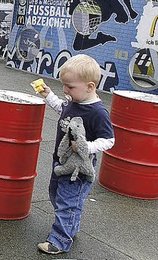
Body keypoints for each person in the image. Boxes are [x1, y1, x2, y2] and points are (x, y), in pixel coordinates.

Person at [35, 54, 115, 254]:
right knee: (55, 195)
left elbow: (109, 140)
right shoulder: (74, 101)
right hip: (60, 162)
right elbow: (61, 108)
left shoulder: (97, 112)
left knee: (67, 202)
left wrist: (86, 147)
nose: (65, 90)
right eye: (64, 85)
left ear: (89, 86)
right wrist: (48, 95)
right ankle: (70, 225)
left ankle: (60, 240)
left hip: (77, 170)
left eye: (70, 87)